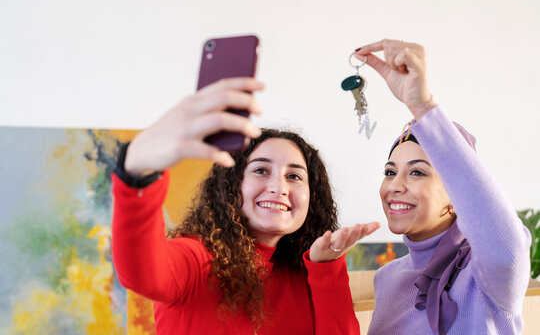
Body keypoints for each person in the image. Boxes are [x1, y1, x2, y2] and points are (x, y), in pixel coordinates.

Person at [111, 78, 380, 334]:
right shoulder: (197, 259)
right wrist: (138, 173)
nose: (279, 187)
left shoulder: (309, 273)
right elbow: (142, 274)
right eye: (261, 170)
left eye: (294, 176)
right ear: (232, 185)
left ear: (313, 197)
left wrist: (327, 268)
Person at [353, 40, 531, 334]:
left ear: (456, 193)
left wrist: (422, 107)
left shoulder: (484, 273)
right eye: (390, 171)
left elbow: (505, 245)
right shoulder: (386, 277)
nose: (395, 185)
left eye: (418, 173)